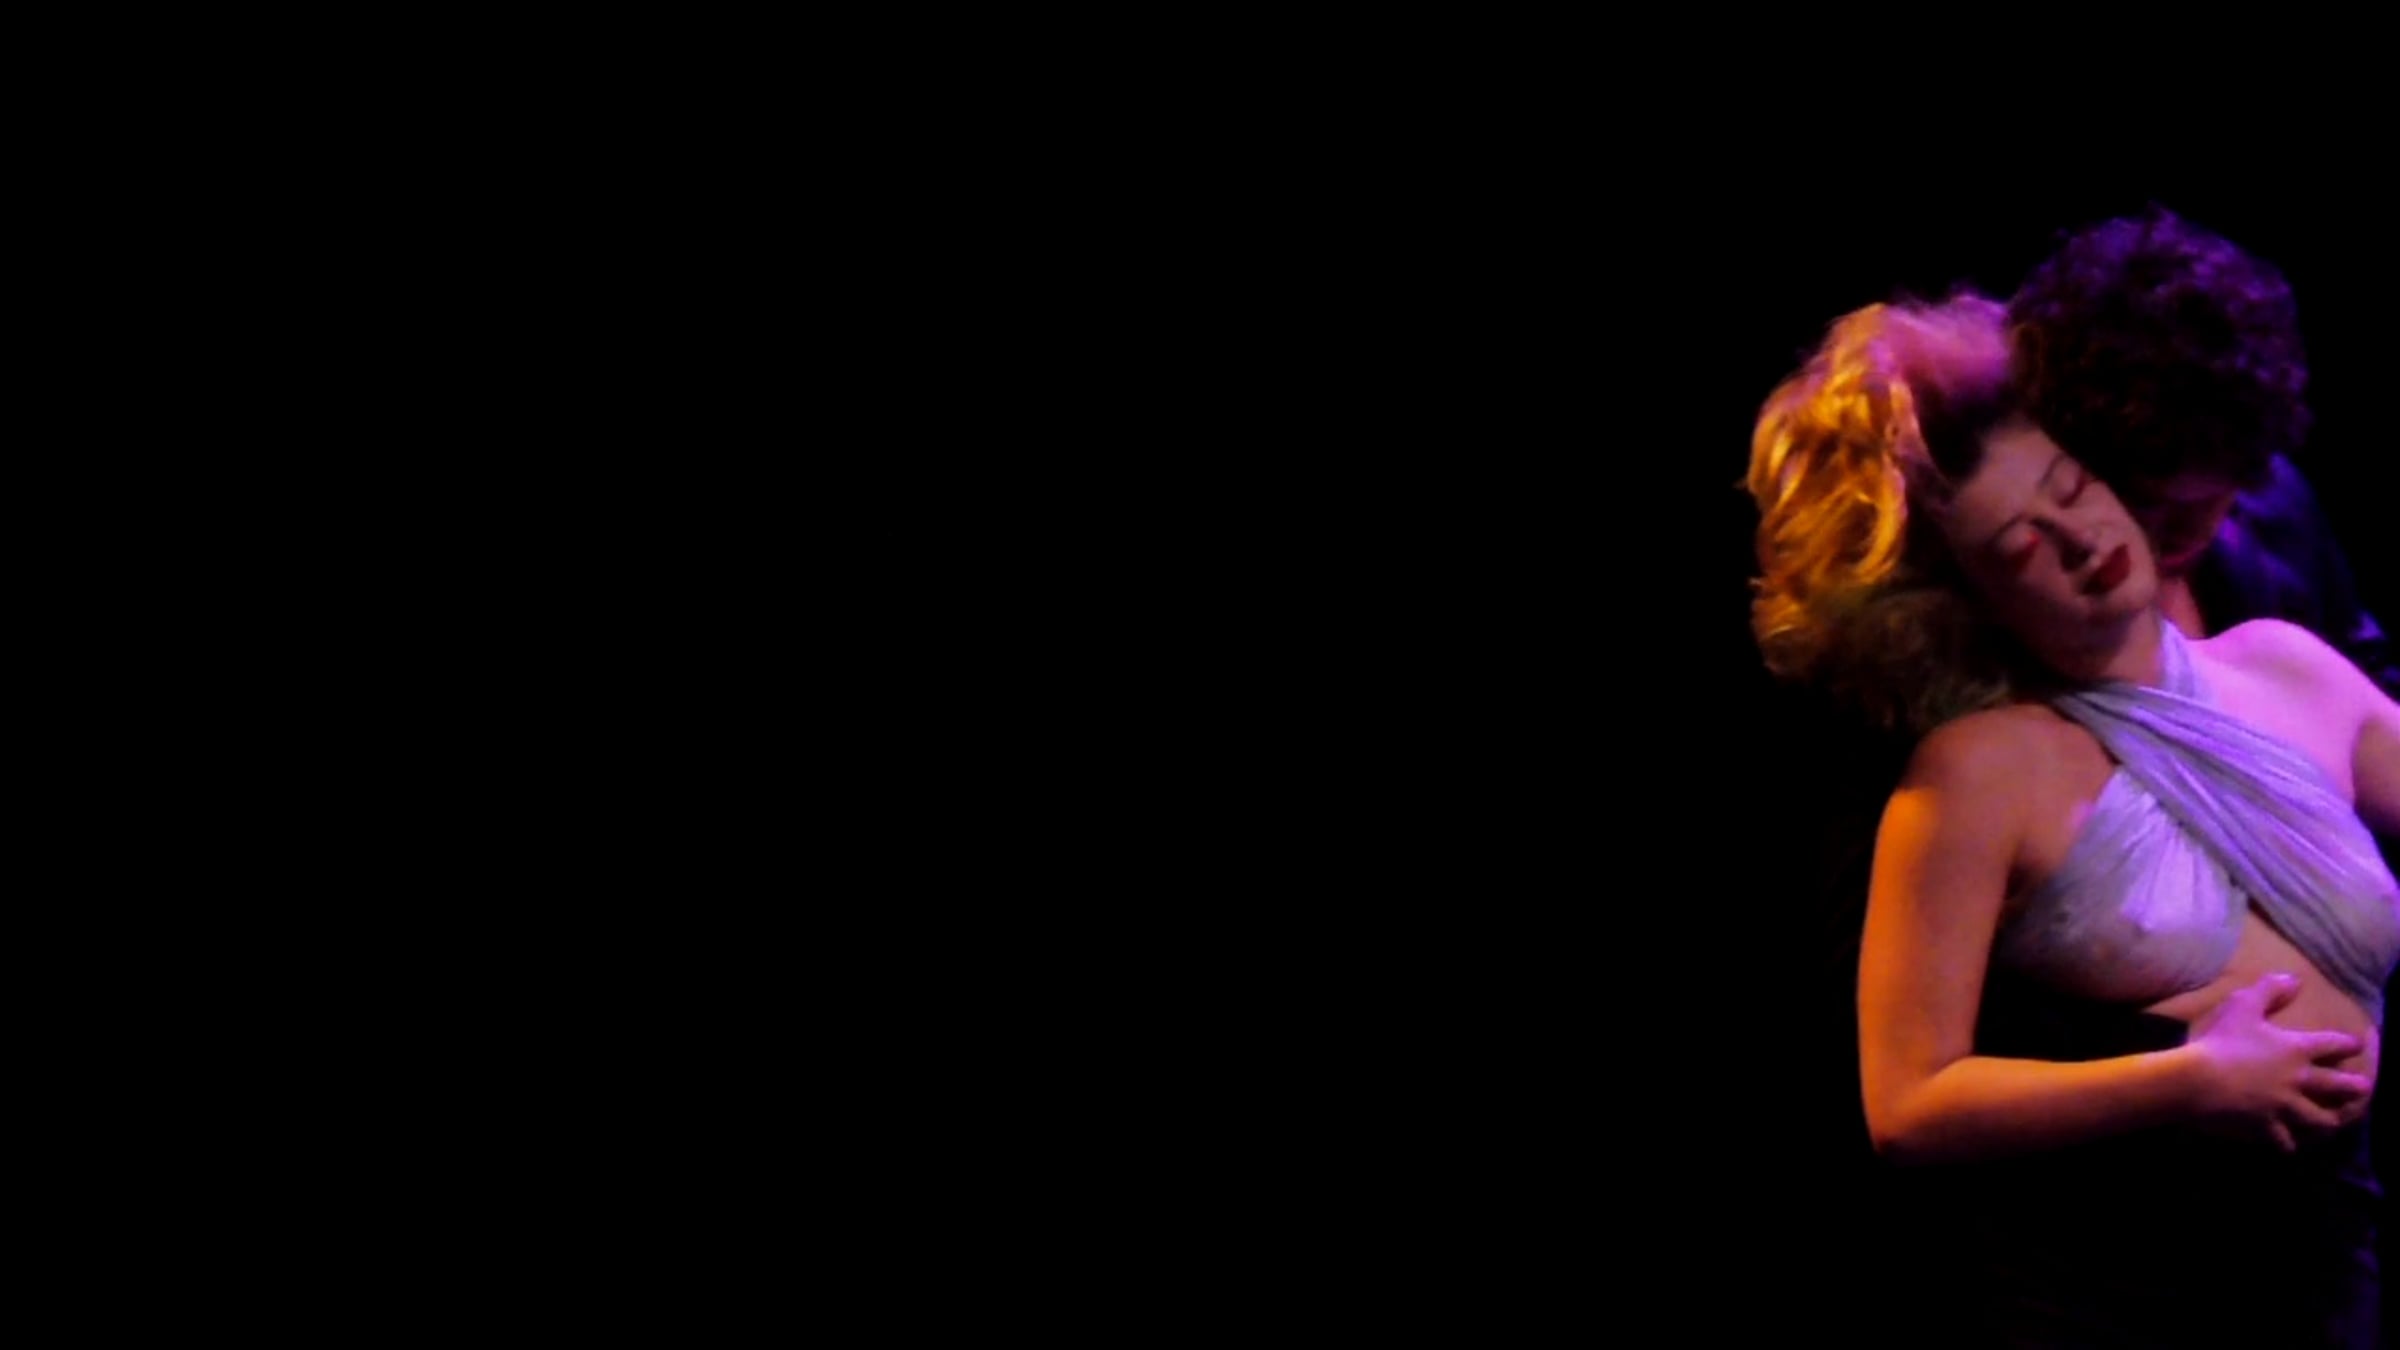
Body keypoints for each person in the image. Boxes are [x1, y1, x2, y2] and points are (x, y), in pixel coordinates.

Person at [1746, 292, 2400, 1346]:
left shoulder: (2287, 667)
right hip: (2107, 1299)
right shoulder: (1977, 774)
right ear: (1965, 607)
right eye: (2022, 546)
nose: (2080, 539)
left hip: (2326, 1271)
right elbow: (1907, 1102)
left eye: (2073, 487)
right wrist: (2186, 1083)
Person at [2008, 206, 2399, 696]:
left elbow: (2366, 668)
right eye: (2152, 501)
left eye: (2216, 496)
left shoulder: (2274, 493)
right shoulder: (2015, 602)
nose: (2190, 531)